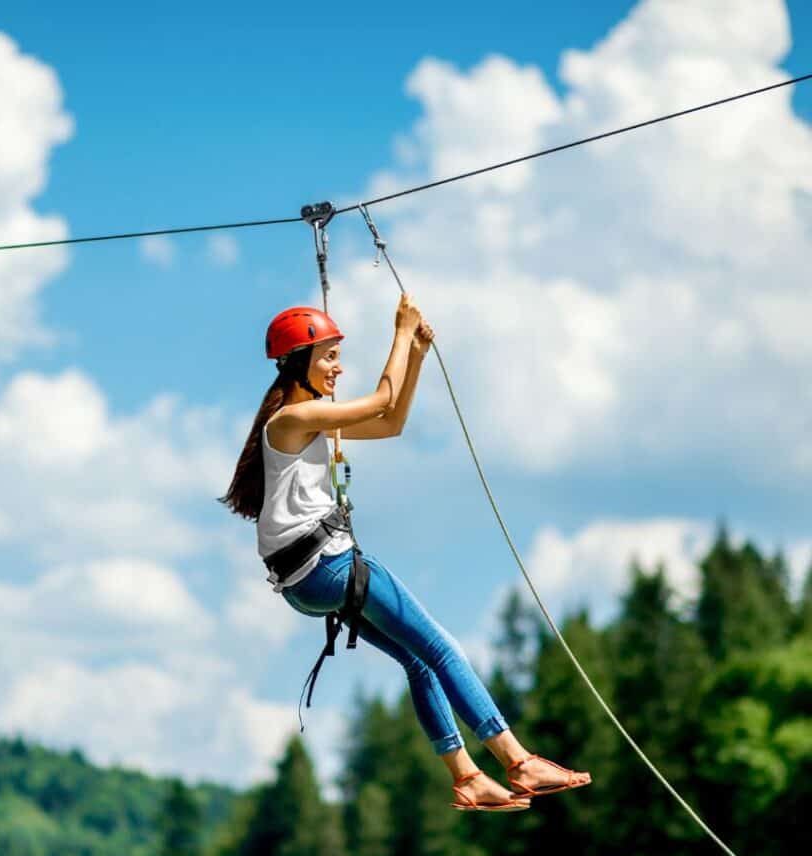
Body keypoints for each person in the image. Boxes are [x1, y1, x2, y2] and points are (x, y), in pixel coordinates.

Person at [218, 294, 591, 812]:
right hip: (328, 568)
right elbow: (377, 401)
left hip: (305, 582)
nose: (337, 366)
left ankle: (466, 776)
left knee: (418, 661)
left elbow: (390, 422)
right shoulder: (293, 417)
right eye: (328, 356)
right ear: (299, 362)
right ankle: (516, 759)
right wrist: (400, 330)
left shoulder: (308, 419)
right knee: (441, 647)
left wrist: (413, 356)